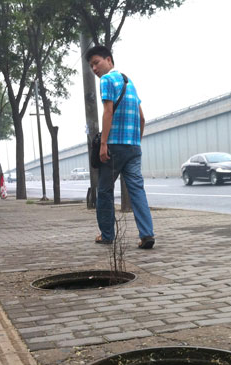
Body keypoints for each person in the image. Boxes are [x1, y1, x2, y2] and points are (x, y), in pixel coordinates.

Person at [86, 45, 155, 249]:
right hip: (133, 147)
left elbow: (108, 112)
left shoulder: (107, 81)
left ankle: (107, 234)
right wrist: (136, 142)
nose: (94, 69)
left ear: (109, 60)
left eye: (96, 63)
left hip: (114, 146)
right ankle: (146, 234)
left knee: (105, 190)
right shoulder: (129, 82)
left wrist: (104, 143)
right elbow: (142, 118)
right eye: (91, 66)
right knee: (137, 190)